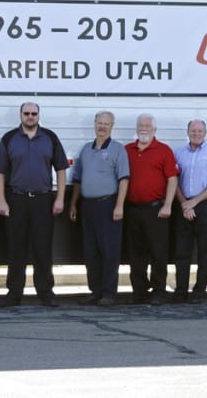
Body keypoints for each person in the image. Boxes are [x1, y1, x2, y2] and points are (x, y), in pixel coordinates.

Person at [0, 102, 69, 307]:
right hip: (16, 199)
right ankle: (14, 293)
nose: (30, 116)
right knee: (16, 248)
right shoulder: (9, 139)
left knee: (42, 248)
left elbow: (61, 170)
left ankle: (46, 292)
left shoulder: (50, 138)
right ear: (20, 115)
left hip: (43, 200)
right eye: (26, 113)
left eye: (34, 113)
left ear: (39, 116)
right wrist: (2, 201)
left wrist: (60, 198)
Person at [68, 111, 129, 307]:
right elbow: (78, 180)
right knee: (91, 251)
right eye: (100, 123)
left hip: (108, 205)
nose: (102, 126)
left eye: (106, 124)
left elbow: (124, 180)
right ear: (94, 124)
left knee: (109, 251)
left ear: (112, 126)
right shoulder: (86, 150)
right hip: (88, 207)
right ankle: (95, 291)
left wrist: (119, 205)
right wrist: (73, 203)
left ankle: (109, 293)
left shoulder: (118, 150)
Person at [172, 119, 207, 304]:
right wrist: (184, 204)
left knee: (205, 251)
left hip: (206, 204)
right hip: (184, 205)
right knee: (182, 251)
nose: (196, 133)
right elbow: (173, 181)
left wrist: (194, 202)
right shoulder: (179, 153)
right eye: (193, 130)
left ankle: (199, 291)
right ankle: (180, 291)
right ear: (187, 132)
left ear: (205, 133)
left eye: (200, 131)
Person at [124, 113, 179, 305]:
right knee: (136, 253)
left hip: (156, 210)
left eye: (148, 125)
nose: (144, 128)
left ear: (155, 130)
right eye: (141, 125)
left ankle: (158, 291)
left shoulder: (164, 150)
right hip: (132, 210)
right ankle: (139, 291)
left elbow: (172, 179)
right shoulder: (127, 150)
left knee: (158, 252)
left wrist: (168, 205)